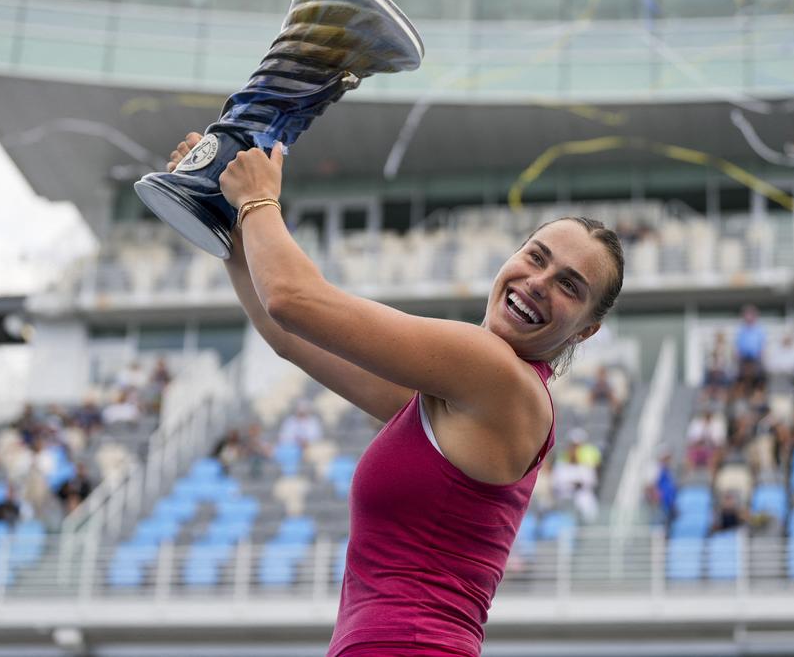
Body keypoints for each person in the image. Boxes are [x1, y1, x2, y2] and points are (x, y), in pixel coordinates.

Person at [169, 134, 624, 656]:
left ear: (586, 331)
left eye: (570, 285)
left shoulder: (493, 370)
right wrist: (228, 224)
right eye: (535, 256)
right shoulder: (461, 398)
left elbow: (294, 300)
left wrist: (258, 200)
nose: (540, 281)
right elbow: (289, 337)